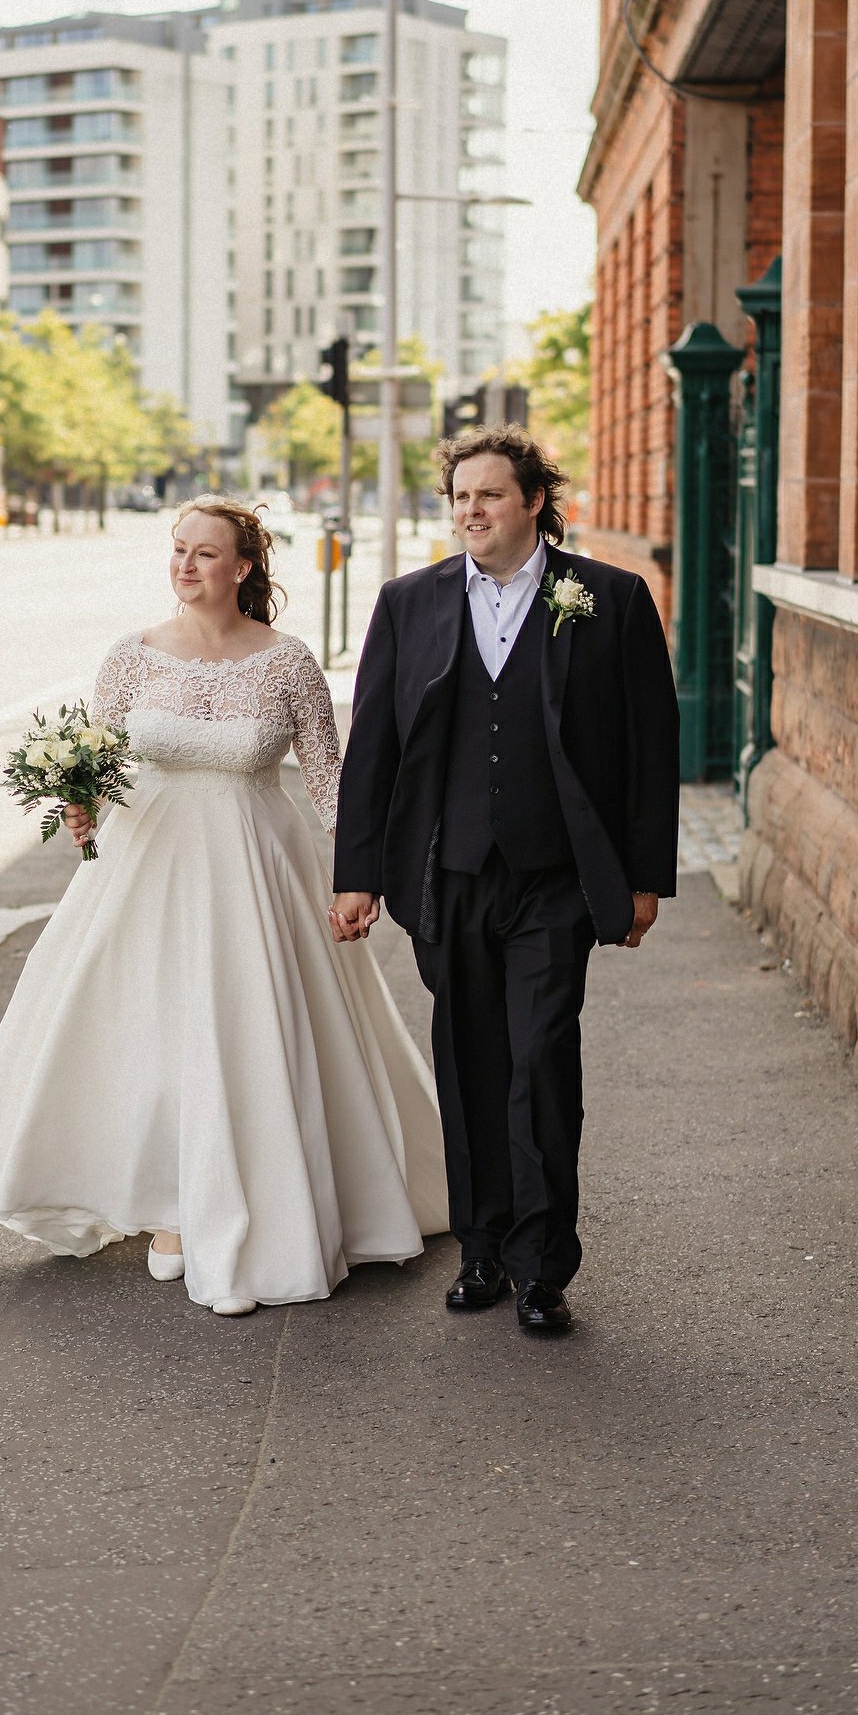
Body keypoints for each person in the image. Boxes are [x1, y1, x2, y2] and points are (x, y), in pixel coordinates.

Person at [0, 497, 447, 1317]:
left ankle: (232, 1201)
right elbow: (97, 758)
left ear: (243, 567)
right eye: (178, 550)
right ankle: (168, 1200)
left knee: (240, 1028)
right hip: (144, 871)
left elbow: (330, 783)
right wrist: (78, 802)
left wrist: (359, 877)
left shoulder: (288, 663)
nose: (186, 565)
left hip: (254, 868)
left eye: (206, 553)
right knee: (146, 1025)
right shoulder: (130, 656)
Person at [330, 429, 680, 1335]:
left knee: (539, 1060)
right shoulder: (410, 603)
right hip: (447, 877)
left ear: (534, 501)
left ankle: (541, 1265)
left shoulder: (610, 598)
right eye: (458, 498)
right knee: (469, 1061)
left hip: (555, 878)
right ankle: (480, 1248)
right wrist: (358, 873)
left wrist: (646, 878)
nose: (471, 512)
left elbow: (650, 749)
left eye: (489, 495)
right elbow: (373, 748)